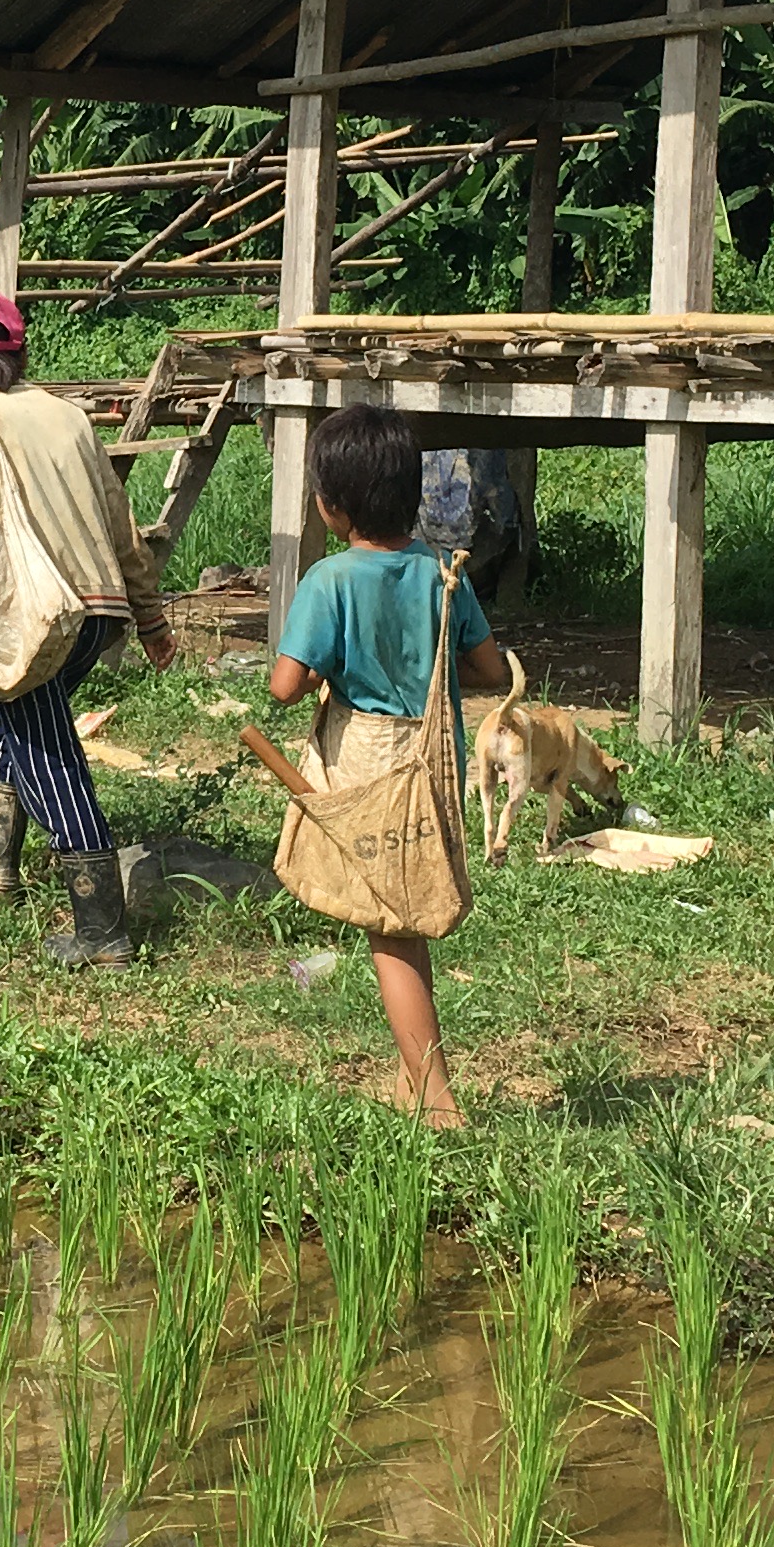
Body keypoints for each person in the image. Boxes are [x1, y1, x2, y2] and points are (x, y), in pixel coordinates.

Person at [264, 404, 507, 1129]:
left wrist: (322, 671)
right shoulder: (444, 575)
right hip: (430, 762)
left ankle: (436, 1101)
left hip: (370, 766)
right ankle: (412, 1082)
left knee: (389, 930)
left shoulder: (331, 581)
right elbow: (486, 667)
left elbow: (283, 686)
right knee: (400, 917)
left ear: (331, 507)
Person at [0, 291, 179, 968]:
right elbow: (124, 526)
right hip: (99, 616)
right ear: (22, 354)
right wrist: (151, 618)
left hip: (40, 617)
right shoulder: (71, 419)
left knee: (48, 753)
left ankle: (101, 929)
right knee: (13, 721)